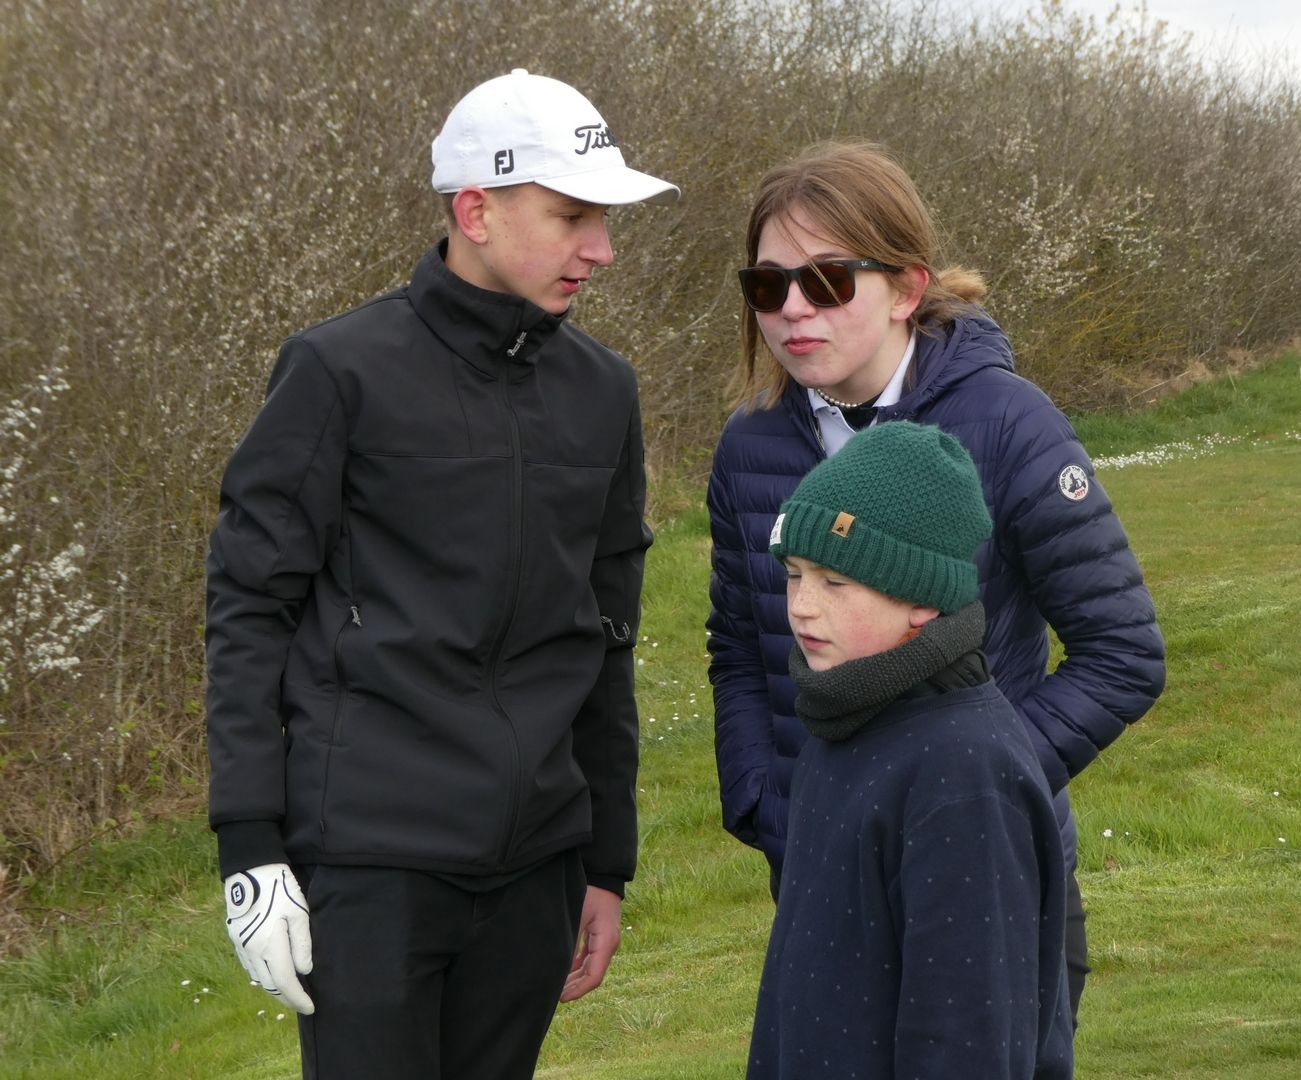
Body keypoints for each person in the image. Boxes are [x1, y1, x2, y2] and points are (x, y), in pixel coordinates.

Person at [205, 69, 678, 1080]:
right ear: (476, 210)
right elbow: (249, 607)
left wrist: (606, 861)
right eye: (574, 217)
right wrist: (250, 847)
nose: (601, 248)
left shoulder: (604, 391)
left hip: (537, 866)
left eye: (603, 220)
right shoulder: (338, 371)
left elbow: (607, 636)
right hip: (369, 865)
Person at [707, 141, 1165, 1025]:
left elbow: (1122, 654)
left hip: (987, 872)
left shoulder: (1009, 423)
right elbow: (738, 645)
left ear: (906, 289)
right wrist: (762, 799)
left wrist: (975, 794)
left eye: (827, 279)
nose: (792, 308)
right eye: (767, 285)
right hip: (817, 874)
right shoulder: (749, 443)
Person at [748, 420, 1071, 1079]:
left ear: (922, 599)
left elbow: (969, 1034)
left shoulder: (964, 774)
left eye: (835, 582)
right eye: (794, 575)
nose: (802, 606)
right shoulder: (844, 721)